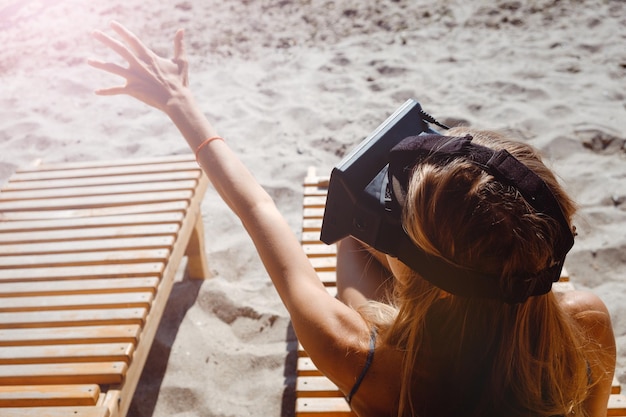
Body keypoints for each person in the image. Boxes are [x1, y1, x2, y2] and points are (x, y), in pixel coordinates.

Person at [89, 22, 616, 417]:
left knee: (353, 250)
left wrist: (181, 103)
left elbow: (257, 210)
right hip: (465, 314)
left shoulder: (361, 360)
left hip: (393, 350)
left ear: (428, 283)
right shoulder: (587, 330)